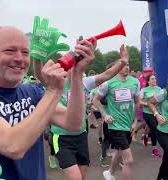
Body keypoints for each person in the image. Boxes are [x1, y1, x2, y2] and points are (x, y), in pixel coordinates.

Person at [0, 26, 96, 180]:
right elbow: (13, 146)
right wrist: (53, 91)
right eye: (9, 51)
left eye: (25, 52)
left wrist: (77, 74)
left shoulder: (32, 92)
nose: (20, 59)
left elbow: (73, 124)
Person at [47, 45, 129, 180]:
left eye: (72, 64)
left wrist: (123, 61)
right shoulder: (54, 86)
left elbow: (107, 75)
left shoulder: (84, 82)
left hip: (81, 136)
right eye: (65, 65)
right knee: (76, 178)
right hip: (61, 138)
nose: (68, 68)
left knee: (82, 176)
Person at [93, 62, 140, 180]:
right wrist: (105, 115)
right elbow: (95, 100)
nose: (127, 67)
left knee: (119, 152)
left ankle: (110, 173)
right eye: (124, 65)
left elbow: (137, 103)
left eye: (128, 65)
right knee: (128, 160)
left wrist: (135, 122)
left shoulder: (135, 82)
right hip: (115, 125)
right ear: (117, 68)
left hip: (128, 125)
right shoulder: (108, 83)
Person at [140, 74, 161, 157]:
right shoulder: (144, 90)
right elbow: (139, 101)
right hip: (147, 113)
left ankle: (145, 136)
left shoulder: (159, 89)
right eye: (152, 79)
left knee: (151, 128)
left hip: (157, 112)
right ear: (148, 81)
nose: (154, 80)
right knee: (154, 129)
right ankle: (154, 149)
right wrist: (147, 104)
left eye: (155, 79)